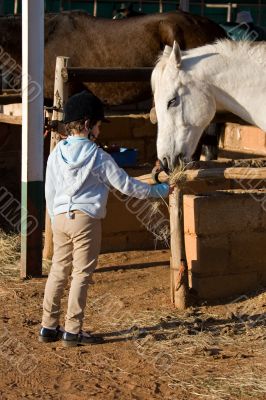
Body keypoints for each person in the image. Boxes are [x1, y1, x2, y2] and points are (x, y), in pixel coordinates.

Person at [39, 90, 169, 347]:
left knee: (58, 271)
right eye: (97, 125)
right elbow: (127, 186)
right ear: (87, 125)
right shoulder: (99, 157)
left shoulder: (56, 153)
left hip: (60, 218)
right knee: (82, 274)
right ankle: (73, 331)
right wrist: (160, 191)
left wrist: (55, 217)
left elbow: (49, 189)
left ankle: (48, 326)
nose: (99, 131)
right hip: (86, 219)